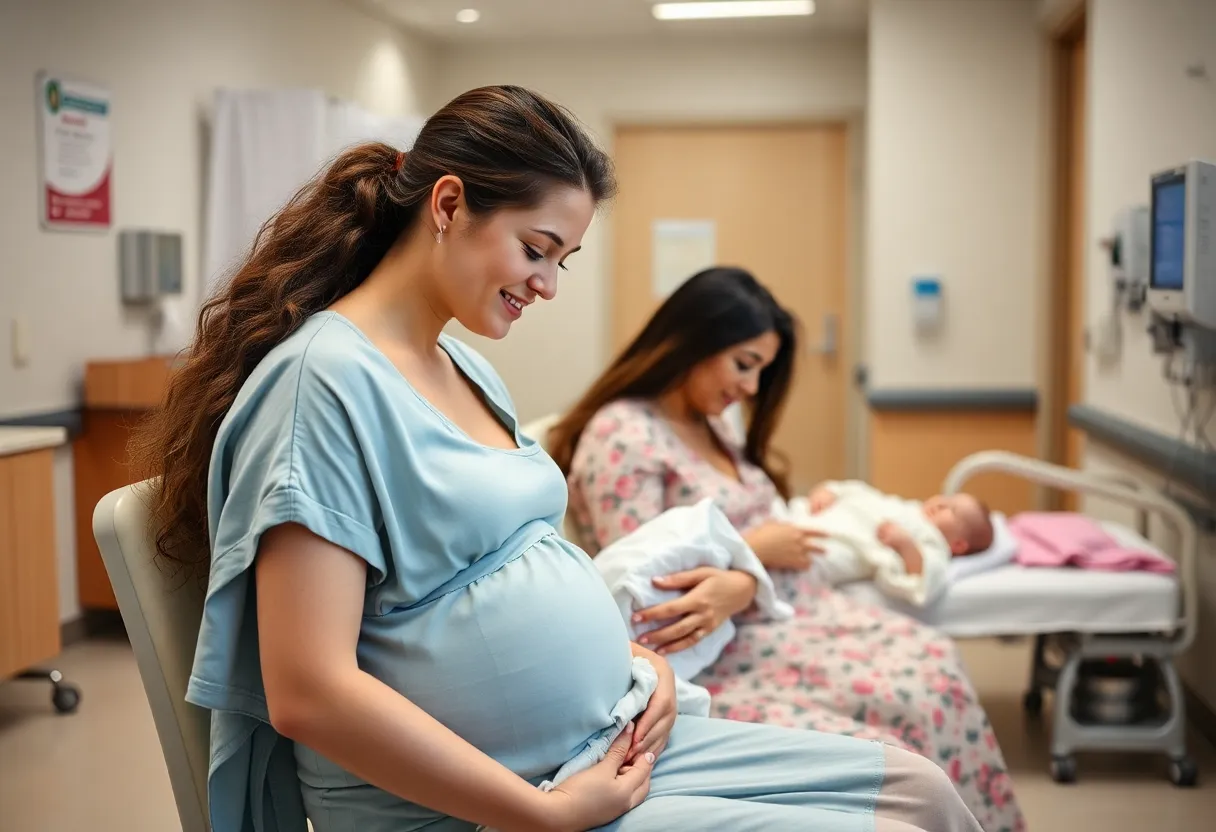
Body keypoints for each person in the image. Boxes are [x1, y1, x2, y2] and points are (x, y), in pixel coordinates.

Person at [129, 86, 980, 832]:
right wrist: (540, 813)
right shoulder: (322, 387)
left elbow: (532, 560)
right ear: (450, 204)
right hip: (484, 806)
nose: (548, 284)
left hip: (608, 741)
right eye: (536, 250)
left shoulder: (461, 365)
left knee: (922, 794)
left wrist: (636, 664)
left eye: (562, 261)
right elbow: (307, 691)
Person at [550, 268, 1025, 832]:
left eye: (762, 371)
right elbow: (646, 584)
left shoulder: (710, 423)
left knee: (932, 663)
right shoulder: (624, 434)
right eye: (744, 364)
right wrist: (756, 560)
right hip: (724, 651)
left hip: (785, 613)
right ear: (693, 339)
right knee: (905, 705)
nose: (751, 389)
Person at [785, 482, 995, 606]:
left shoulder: (935, 544)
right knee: (784, 516)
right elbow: (866, 495)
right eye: (947, 498)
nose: (941, 503)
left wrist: (905, 545)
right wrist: (831, 492)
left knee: (815, 558)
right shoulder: (908, 507)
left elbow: (926, 575)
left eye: (952, 510)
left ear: (958, 545)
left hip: (852, 545)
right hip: (827, 516)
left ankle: (782, 573)